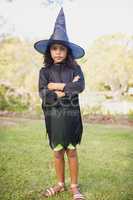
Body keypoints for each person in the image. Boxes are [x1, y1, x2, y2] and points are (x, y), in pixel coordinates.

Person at [34, 7, 85, 200]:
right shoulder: (44, 72)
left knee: (71, 150)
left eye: (62, 48)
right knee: (57, 152)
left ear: (67, 51)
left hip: (71, 116)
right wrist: (62, 90)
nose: (58, 52)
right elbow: (43, 93)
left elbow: (79, 86)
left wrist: (58, 85)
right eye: (54, 48)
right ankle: (60, 184)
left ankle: (73, 187)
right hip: (54, 116)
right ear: (50, 51)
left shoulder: (75, 68)